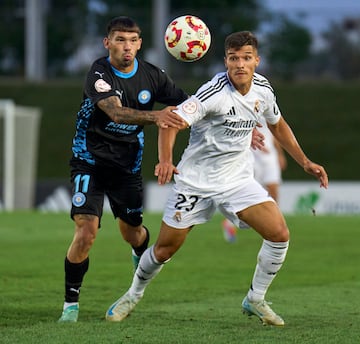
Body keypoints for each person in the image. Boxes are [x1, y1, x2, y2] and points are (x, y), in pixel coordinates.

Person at [104, 31, 328, 326]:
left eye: (246, 58)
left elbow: (278, 124)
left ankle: (256, 299)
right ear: (225, 61)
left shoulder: (263, 89)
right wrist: (167, 161)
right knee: (163, 250)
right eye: (234, 59)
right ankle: (132, 294)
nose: (240, 65)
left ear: (256, 61)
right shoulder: (212, 94)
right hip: (195, 182)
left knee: (279, 234)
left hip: (237, 181)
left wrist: (305, 161)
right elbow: (170, 123)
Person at [57, 16, 189, 323]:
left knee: (132, 233)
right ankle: (70, 306)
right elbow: (115, 113)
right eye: (119, 40)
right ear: (108, 43)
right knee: (86, 231)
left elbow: (189, 103)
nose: (126, 47)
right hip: (88, 160)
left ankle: (138, 254)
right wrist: (157, 117)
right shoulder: (98, 72)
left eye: (132, 41)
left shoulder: (153, 76)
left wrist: (238, 121)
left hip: (126, 166)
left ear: (140, 44)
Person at [222, 118, 287, 241]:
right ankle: (229, 222)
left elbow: (274, 131)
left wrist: (279, 153)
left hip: (269, 156)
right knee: (246, 193)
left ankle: (274, 226)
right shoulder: (247, 104)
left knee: (274, 189)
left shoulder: (268, 104)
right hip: (253, 154)